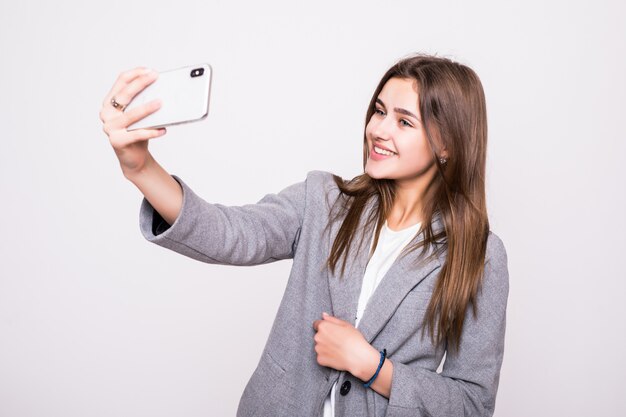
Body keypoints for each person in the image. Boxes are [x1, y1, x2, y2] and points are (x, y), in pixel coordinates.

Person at [99, 53, 509, 417]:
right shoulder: (325, 200)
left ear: (447, 146)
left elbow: (472, 403)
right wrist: (140, 168)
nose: (379, 129)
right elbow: (230, 233)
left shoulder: (479, 254)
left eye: (404, 121)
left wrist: (373, 367)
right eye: (379, 111)